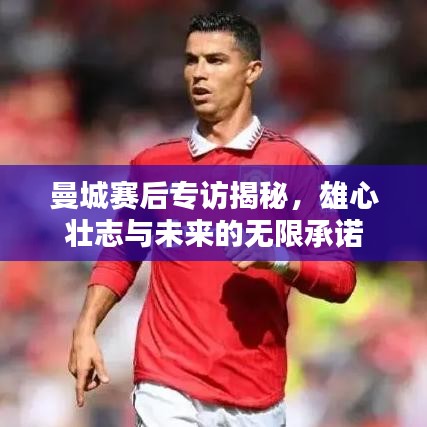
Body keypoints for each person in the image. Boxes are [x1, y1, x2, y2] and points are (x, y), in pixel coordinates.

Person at [68, 11, 356, 427]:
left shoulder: (293, 164)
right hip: (167, 386)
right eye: (192, 60)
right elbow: (121, 254)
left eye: (216, 60)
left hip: (256, 395)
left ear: (252, 71)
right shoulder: (154, 165)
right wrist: (85, 328)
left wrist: (279, 258)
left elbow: (341, 278)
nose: (199, 73)